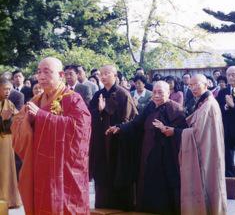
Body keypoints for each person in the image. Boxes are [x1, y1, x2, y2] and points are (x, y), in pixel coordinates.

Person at [11, 57, 92, 215]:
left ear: (61, 75)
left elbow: (80, 130)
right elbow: (17, 125)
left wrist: (42, 116)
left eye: (47, 72)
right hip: (40, 165)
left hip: (63, 170)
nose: (41, 76)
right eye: (39, 72)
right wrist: (27, 121)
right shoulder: (37, 99)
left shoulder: (73, 99)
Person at [107, 81, 186, 214]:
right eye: (154, 92)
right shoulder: (150, 106)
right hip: (147, 151)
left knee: (162, 184)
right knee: (146, 180)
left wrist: (170, 130)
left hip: (165, 154)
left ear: (168, 93)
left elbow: (183, 131)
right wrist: (119, 127)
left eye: (160, 92)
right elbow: (136, 123)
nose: (156, 95)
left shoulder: (176, 110)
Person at [154, 75, 227, 215]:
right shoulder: (202, 102)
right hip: (205, 149)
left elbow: (197, 132)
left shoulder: (209, 104)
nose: (192, 88)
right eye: (190, 85)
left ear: (206, 85)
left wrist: (174, 131)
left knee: (207, 182)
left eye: (196, 84)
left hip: (206, 151)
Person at [89, 65, 138, 210]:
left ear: (115, 75)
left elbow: (131, 119)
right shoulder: (98, 95)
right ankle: (102, 208)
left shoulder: (123, 94)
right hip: (101, 143)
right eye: (101, 74)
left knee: (119, 174)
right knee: (103, 177)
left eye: (106, 74)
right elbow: (90, 116)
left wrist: (119, 128)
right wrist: (99, 110)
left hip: (118, 144)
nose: (103, 77)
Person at [0, 77, 22, 208]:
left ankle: (9, 199)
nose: (7, 92)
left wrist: (8, 120)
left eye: (9, 89)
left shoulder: (10, 104)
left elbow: (17, 121)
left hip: (7, 142)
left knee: (8, 169)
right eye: (4, 89)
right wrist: (3, 120)